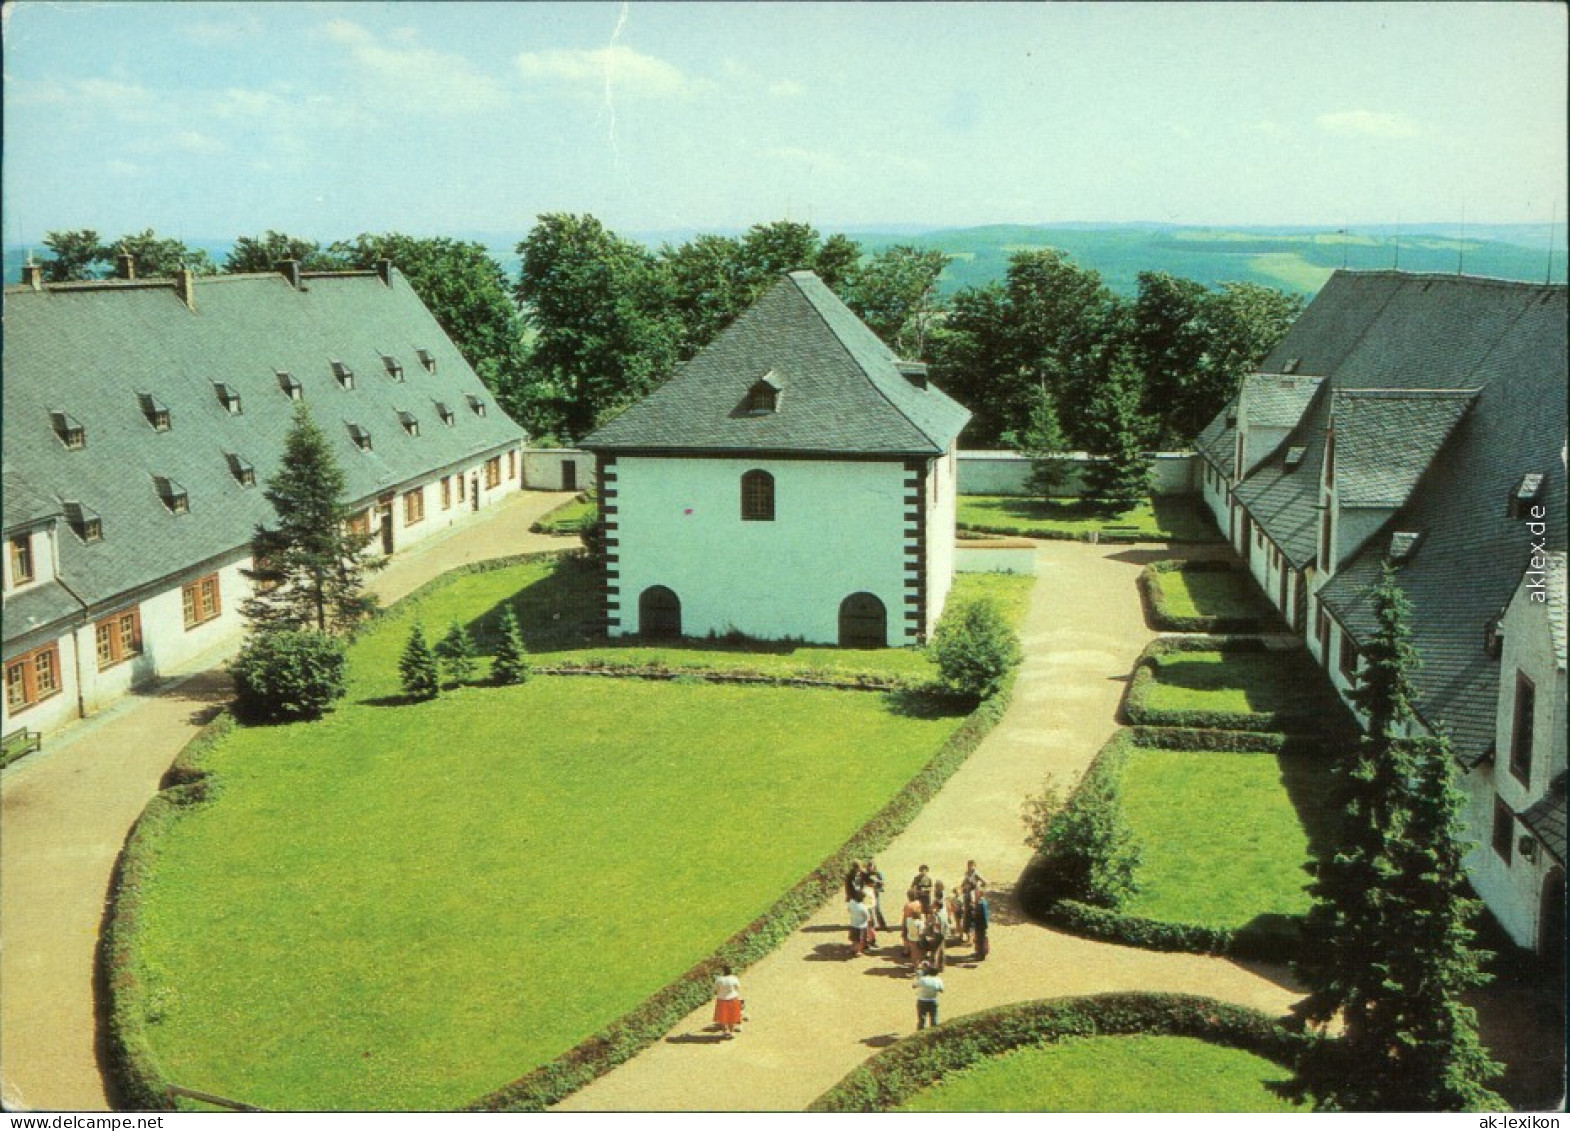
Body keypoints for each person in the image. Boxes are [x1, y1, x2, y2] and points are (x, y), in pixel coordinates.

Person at [713, 964, 743, 1038]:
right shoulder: (734, 978)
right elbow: (737, 987)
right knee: (731, 1016)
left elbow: (716, 990)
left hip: (722, 999)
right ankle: (731, 1031)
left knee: (722, 1016)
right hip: (732, 998)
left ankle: (725, 1031)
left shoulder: (719, 979)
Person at [913, 961, 944, 1029]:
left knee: (921, 1019)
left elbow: (914, 986)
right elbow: (941, 990)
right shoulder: (938, 980)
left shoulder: (923, 979)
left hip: (922, 1001)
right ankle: (933, 1034)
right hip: (933, 1001)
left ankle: (919, 1035)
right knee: (934, 1019)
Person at [901, 892, 925, 966]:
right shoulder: (918, 903)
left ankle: (906, 950)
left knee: (906, 936)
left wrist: (903, 924)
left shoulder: (907, 905)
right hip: (917, 919)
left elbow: (905, 915)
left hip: (909, 920)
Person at [847, 890, 873, 957]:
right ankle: (858, 951)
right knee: (860, 940)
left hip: (853, 924)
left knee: (854, 939)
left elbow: (848, 909)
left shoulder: (851, 902)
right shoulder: (863, 907)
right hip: (861, 926)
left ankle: (853, 948)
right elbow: (867, 916)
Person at [865, 859, 889, 930]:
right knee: (869, 909)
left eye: (870, 866)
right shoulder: (866, 874)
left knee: (877, 909)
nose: (869, 868)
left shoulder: (878, 873)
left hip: (875, 893)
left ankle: (882, 925)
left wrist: (876, 880)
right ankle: (871, 925)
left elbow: (883, 883)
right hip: (869, 893)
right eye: (868, 867)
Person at [972, 882, 991, 962]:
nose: (975, 894)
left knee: (980, 940)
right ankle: (978, 952)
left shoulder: (982, 903)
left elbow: (985, 915)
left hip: (981, 926)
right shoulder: (979, 902)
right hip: (978, 925)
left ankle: (981, 955)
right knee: (977, 940)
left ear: (980, 894)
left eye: (976, 893)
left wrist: (985, 925)